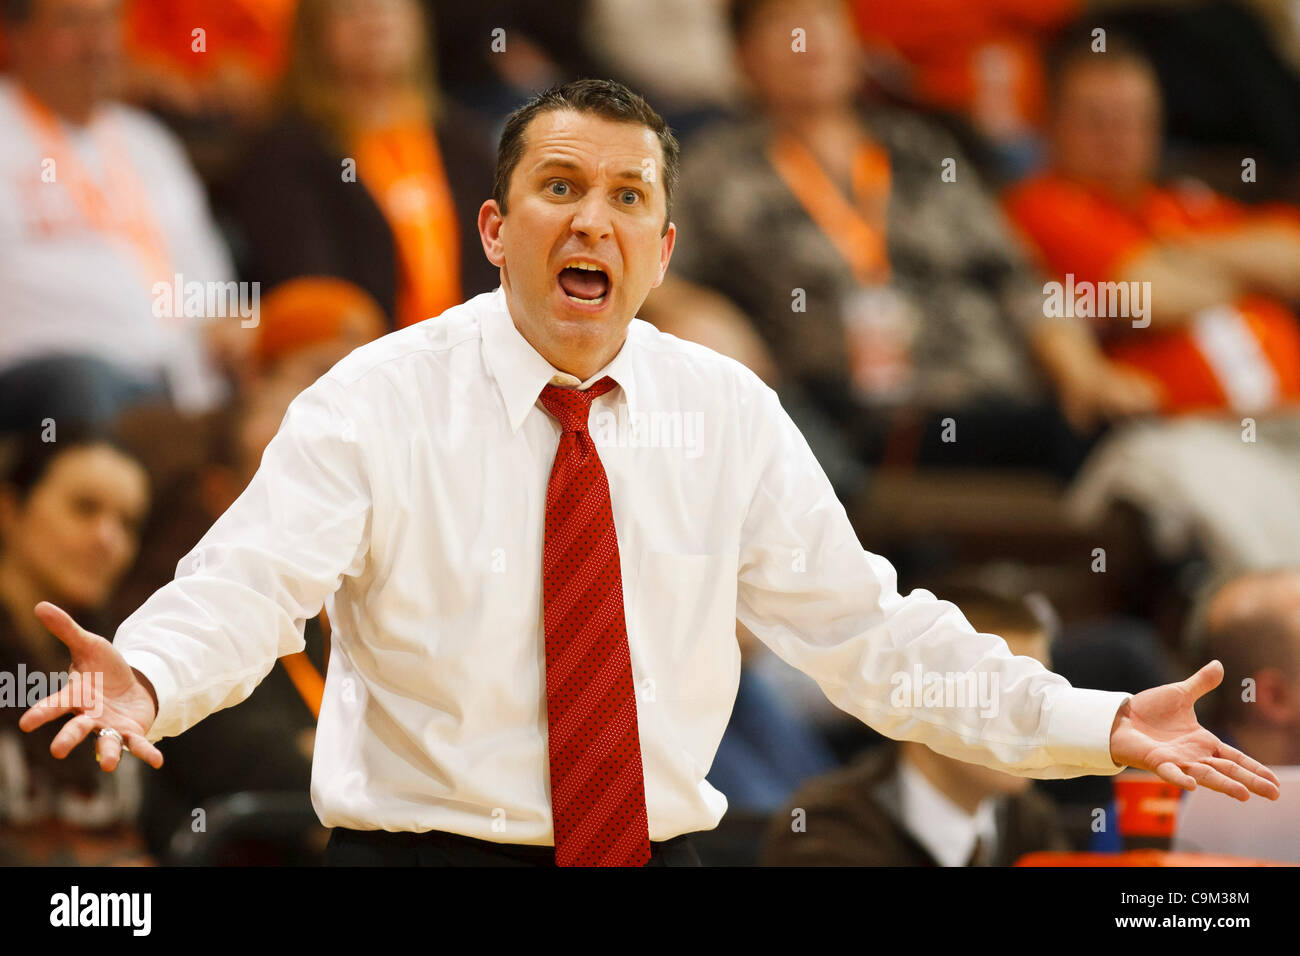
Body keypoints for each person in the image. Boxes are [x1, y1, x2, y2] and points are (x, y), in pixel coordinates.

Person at [19, 79, 1280, 869]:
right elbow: (249, 581)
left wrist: (1093, 721)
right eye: (558, 187)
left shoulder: (724, 410)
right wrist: (153, 672)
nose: (593, 220)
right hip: (425, 860)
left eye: (627, 197)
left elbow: (875, 639)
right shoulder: (377, 397)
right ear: (496, 229)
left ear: (662, 248)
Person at [1003, 35, 1300, 570]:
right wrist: (1246, 271)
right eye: (1097, 120)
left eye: (1134, 118)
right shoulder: (1045, 206)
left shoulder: (1188, 204)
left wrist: (1175, 251)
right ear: (1051, 125)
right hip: (1193, 435)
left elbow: (1293, 258)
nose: (1119, 137)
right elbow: (1151, 296)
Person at [0, 0, 244, 418]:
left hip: (183, 379)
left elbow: (212, 290)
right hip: (54, 379)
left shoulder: (147, 141)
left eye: (108, 20)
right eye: (73, 23)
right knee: (83, 383)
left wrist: (238, 333)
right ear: (15, 37)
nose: (99, 43)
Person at [223, 0, 498, 333]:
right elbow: (314, 293)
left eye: (389, 6)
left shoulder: (465, 144)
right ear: (313, 31)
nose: (374, 19)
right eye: (349, 8)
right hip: (361, 367)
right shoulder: (284, 154)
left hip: (474, 358)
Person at [760, 585, 1070, 865]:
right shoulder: (827, 827)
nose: (1028, 717)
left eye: (1039, 693)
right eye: (996, 693)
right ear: (920, 695)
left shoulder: (1029, 820)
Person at [0, 427, 151, 864]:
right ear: (9, 509)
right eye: (84, 508)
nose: (109, 540)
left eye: (128, 523)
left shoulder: (133, 651)